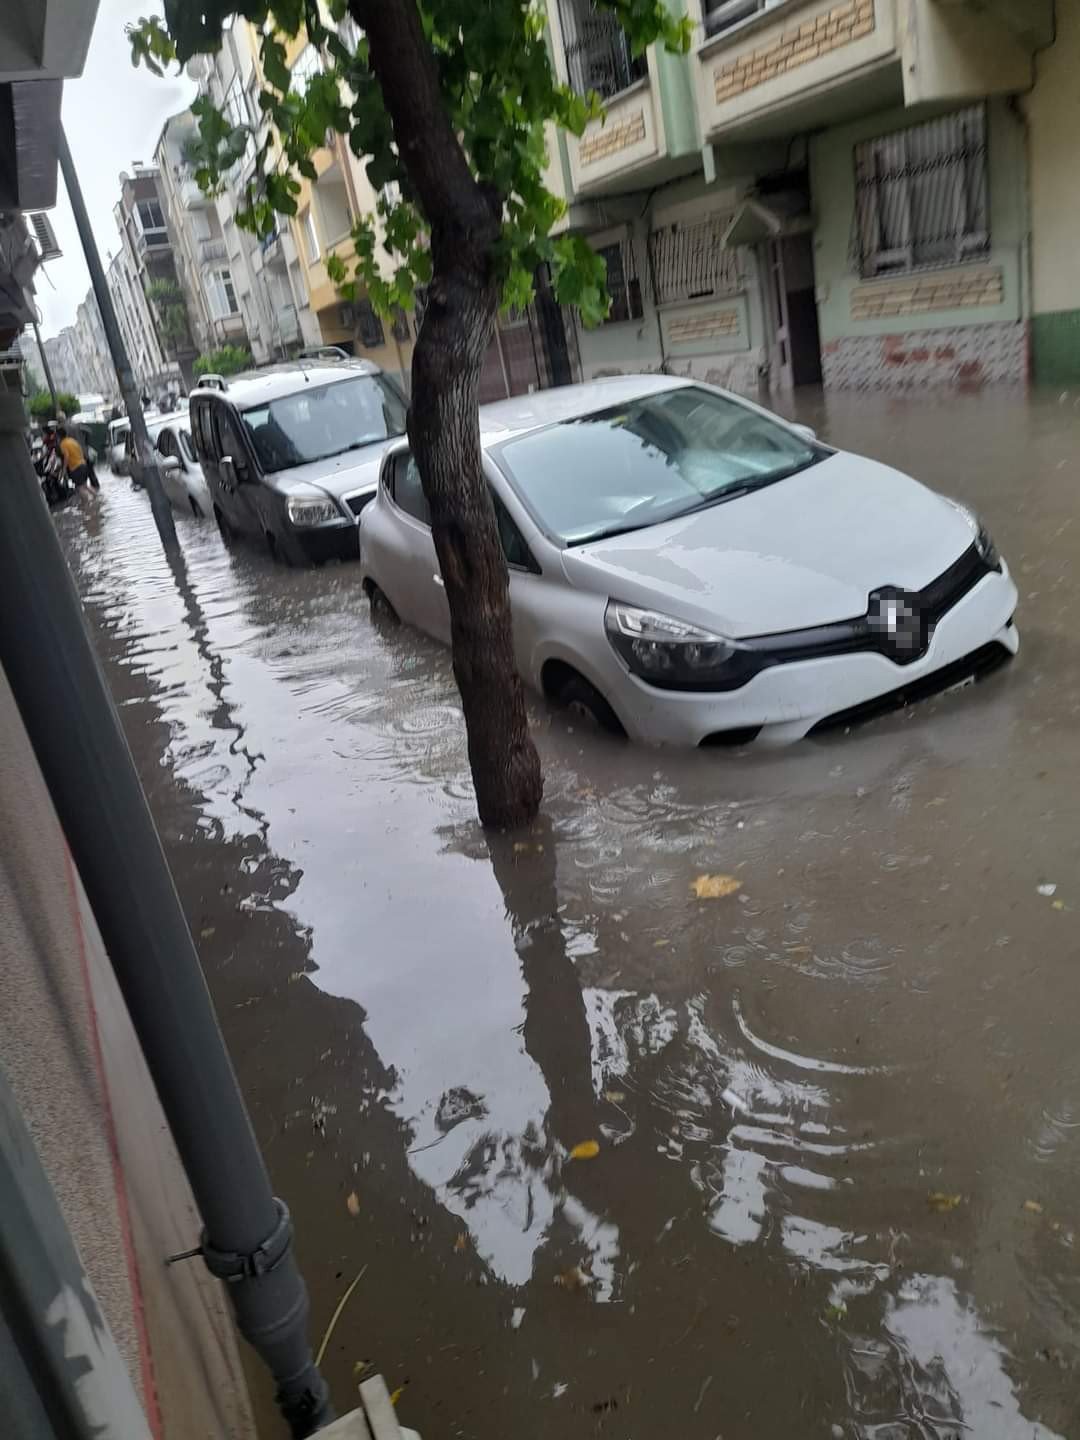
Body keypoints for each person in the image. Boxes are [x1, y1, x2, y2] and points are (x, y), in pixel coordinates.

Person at [57, 426, 99, 491]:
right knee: (84, 486)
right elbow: (80, 450)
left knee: (79, 488)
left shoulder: (63, 444)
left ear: (59, 436)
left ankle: (89, 500)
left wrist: (64, 469)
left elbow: (66, 457)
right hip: (83, 464)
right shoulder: (72, 440)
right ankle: (96, 497)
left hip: (76, 468)